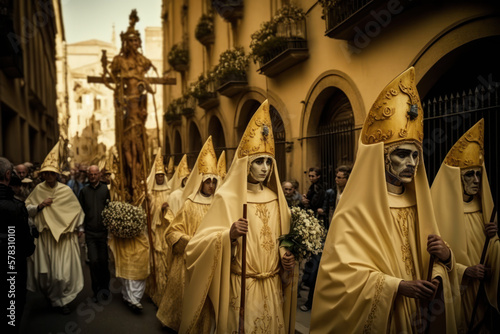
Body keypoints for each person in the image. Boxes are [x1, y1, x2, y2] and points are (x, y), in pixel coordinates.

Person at [310, 67, 460, 333]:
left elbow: (431, 259)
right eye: (402, 154)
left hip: (420, 314)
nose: (411, 163)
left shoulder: (419, 206)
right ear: (381, 157)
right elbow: (339, 275)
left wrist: (445, 259)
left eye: (416, 156)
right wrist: (398, 286)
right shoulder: (354, 212)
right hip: (389, 315)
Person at [179, 100, 297, 333]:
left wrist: (286, 256)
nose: (264, 168)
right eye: (258, 162)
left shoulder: (276, 198)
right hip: (241, 286)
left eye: (268, 162)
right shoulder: (227, 198)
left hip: (272, 285)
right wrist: (228, 235)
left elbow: (284, 237)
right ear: (246, 165)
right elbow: (196, 247)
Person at [431, 119, 499, 332]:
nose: (477, 180)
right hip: (458, 292)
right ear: (455, 179)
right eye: (469, 174)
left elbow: (492, 251)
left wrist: (495, 240)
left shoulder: (484, 210)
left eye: (479, 173)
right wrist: (465, 271)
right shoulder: (438, 211)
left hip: (483, 290)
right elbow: (431, 259)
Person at [157, 136, 219, 332]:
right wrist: (191, 242)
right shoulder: (189, 204)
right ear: (200, 182)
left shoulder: (220, 204)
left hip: (212, 260)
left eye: (214, 181)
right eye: (207, 181)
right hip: (189, 261)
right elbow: (173, 232)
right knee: (187, 297)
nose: (211, 185)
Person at [25, 142, 85, 315]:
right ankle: (53, 298)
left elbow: (77, 211)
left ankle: (61, 300)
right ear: (43, 174)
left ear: (56, 174)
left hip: (63, 240)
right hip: (45, 240)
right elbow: (27, 209)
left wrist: (80, 228)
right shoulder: (38, 189)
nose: (49, 176)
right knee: (46, 275)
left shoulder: (66, 191)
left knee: (62, 275)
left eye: (52, 173)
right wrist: (40, 205)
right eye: (46, 173)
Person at [110, 10, 154, 203]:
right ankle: (129, 184)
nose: (134, 44)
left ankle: (138, 182)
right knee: (128, 152)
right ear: (125, 43)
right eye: (130, 41)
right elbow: (115, 82)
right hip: (126, 114)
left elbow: (145, 88)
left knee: (140, 152)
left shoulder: (143, 62)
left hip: (139, 113)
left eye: (136, 41)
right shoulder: (119, 62)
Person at [1, 157, 35, 332]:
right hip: (13, 264)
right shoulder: (16, 207)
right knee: (12, 306)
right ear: (8, 175)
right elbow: (26, 244)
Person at [78, 165, 111, 302]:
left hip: (103, 232)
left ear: (99, 175)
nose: (92, 177)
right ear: (88, 175)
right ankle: (96, 290)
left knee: (103, 261)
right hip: (90, 232)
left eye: (95, 174)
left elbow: (110, 208)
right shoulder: (84, 191)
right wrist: (80, 228)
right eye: (90, 174)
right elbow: (80, 210)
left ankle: (105, 289)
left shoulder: (105, 190)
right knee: (94, 261)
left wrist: (110, 228)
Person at [145, 149, 172, 306]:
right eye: (158, 175)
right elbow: (148, 212)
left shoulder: (170, 191)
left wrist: (168, 209)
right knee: (157, 260)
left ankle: (166, 292)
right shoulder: (151, 193)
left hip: (167, 231)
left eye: (162, 175)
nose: (160, 177)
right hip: (156, 232)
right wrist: (154, 206)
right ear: (155, 177)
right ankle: (157, 292)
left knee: (167, 261)